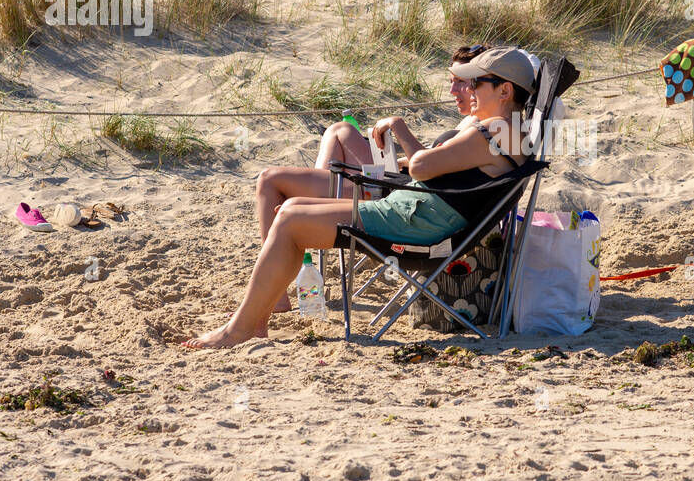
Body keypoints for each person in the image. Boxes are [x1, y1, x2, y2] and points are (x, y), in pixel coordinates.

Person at [181, 46, 537, 349]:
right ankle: (256, 321)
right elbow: (440, 169)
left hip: (421, 226)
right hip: (415, 212)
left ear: (504, 91)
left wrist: (398, 125)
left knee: (290, 219)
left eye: (478, 82)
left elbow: (422, 168)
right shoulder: (509, 131)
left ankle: (239, 329)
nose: (471, 88)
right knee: (291, 208)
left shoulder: (493, 129)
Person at [257, 44, 486, 313]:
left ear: (481, 85)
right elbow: (436, 165)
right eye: (451, 81)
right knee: (340, 129)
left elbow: (426, 169)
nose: (453, 91)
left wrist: (397, 125)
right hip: (400, 185)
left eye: (461, 82)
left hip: (393, 198)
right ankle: (315, 200)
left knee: (269, 180)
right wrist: (397, 160)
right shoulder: (473, 125)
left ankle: (278, 289)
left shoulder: (482, 131)